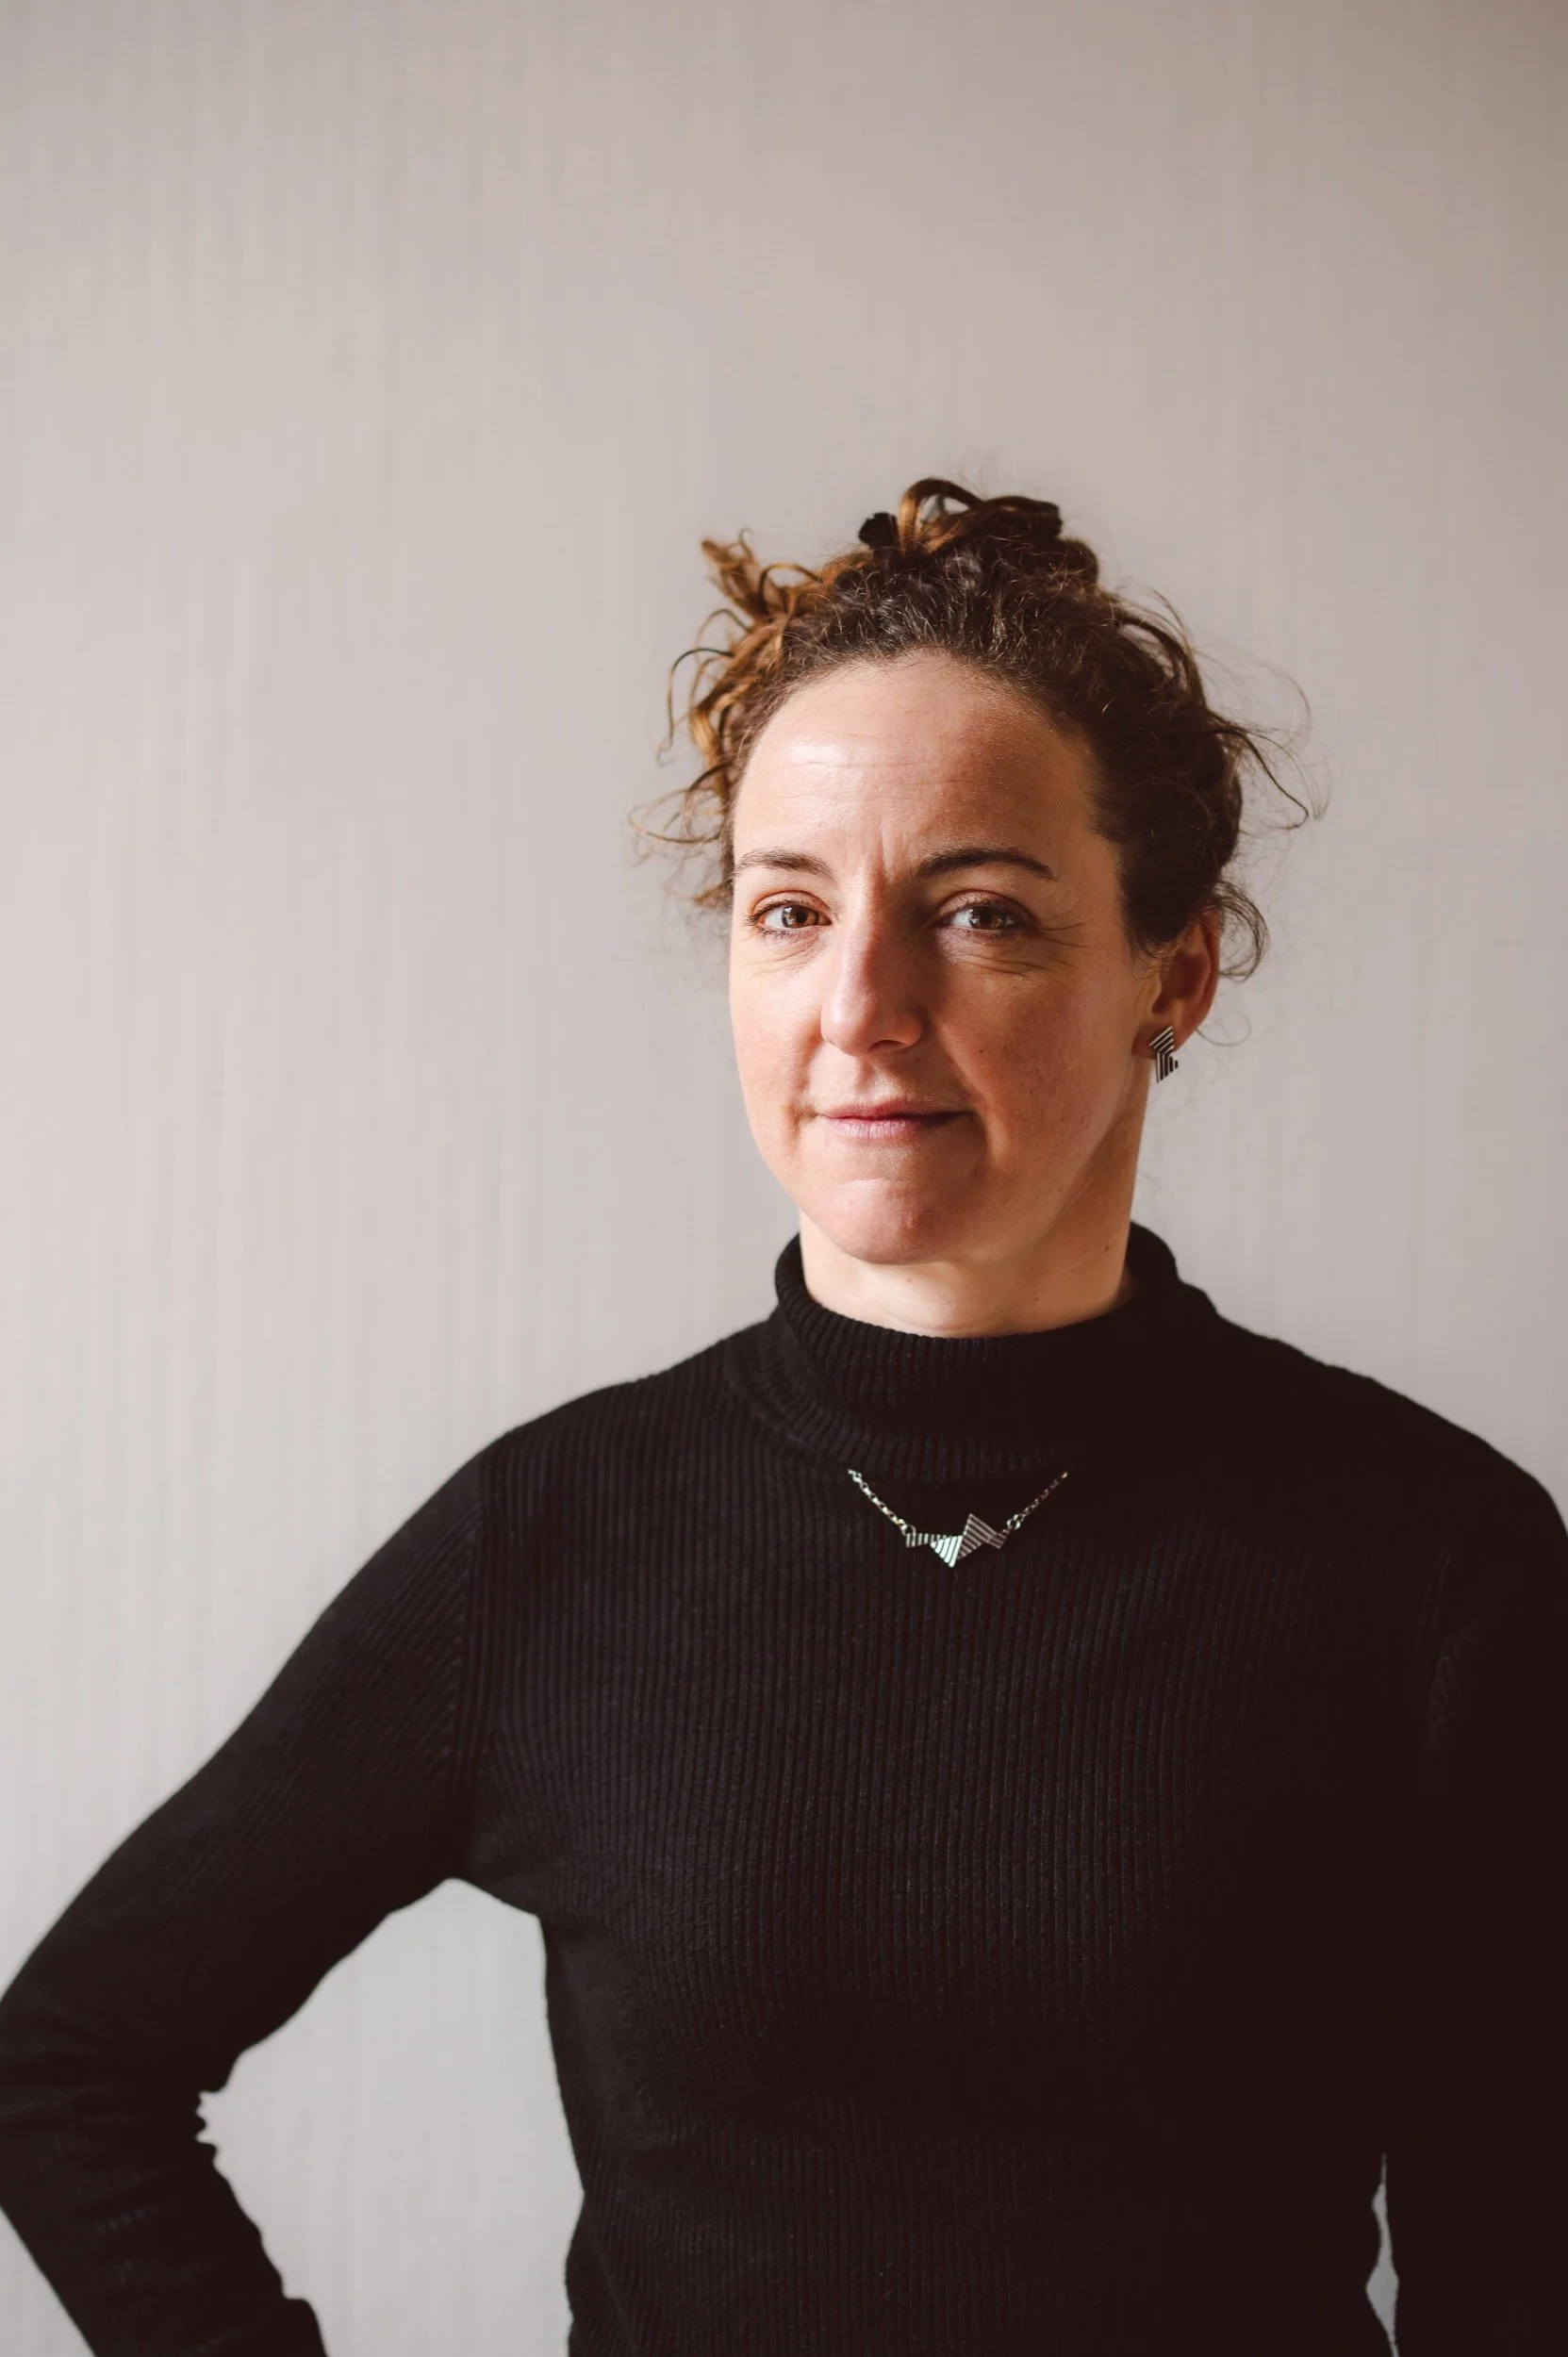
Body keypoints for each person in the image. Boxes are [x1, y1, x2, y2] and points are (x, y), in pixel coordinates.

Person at [0, 479, 1562, 2357]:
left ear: (1176, 969)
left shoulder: (1429, 1560)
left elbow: (1520, 2263)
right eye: (790, 910)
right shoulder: (561, 1532)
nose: (862, 1006)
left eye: (978, 910)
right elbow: (65, 2064)